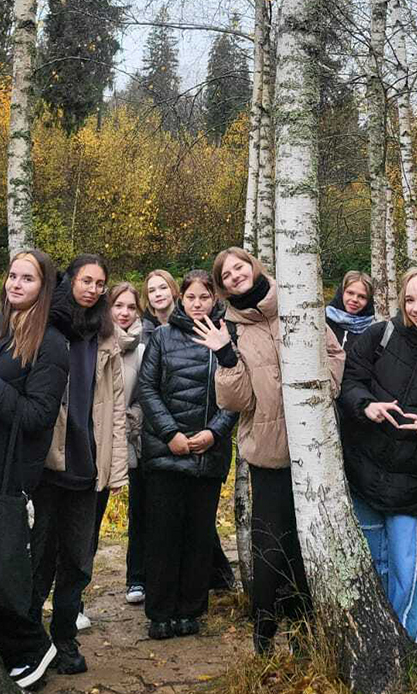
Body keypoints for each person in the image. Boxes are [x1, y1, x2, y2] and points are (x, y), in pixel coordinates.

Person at [193, 247, 345, 654]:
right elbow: (237, 400)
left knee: (304, 543)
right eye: (226, 275)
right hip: (268, 451)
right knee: (270, 545)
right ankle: (263, 629)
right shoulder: (230, 327)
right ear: (224, 288)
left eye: (239, 267)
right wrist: (226, 355)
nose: (235, 275)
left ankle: (303, 630)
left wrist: (324, 392)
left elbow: (333, 352)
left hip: (313, 449)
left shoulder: (297, 304)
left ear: (253, 266)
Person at [337, 267, 417, 649]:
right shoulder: (379, 336)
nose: (416, 308)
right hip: (364, 474)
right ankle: (374, 647)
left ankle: (408, 649)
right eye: (410, 299)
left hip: (412, 485)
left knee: (409, 572)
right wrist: (366, 405)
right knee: (371, 568)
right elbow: (350, 383)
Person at [0, 250, 70, 690]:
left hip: (10, 475)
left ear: (44, 288)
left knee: (3, 574)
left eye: (28, 278)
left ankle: (33, 650)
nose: (16, 284)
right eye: (12, 276)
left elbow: (39, 415)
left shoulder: (51, 343)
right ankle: (10, 650)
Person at [35, 254, 128, 674]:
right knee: (39, 558)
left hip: (88, 466)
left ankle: (64, 637)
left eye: (99, 284)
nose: (92, 289)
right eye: (85, 281)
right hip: (47, 463)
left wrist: (117, 468)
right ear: (69, 280)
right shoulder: (46, 327)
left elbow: (117, 407)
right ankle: (32, 641)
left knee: (77, 560)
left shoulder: (105, 337)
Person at [137, 270, 239, 639]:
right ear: (181, 298)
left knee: (198, 535)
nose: (198, 304)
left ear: (215, 300)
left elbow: (237, 390)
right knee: (163, 535)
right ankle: (160, 612)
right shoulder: (163, 336)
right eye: (191, 297)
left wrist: (214, 432)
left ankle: (190, 610)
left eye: (204, 298)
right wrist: (170, 434)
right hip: (167, 451)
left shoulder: (227, 336)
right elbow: (147, 388)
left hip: (208, 452)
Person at [108, 281, 147, 604]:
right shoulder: (93, 342)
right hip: (97, 440)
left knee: (140, 511)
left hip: (133, 437)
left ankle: (137, 579)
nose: (124, 313)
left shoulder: (143, 348)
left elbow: (147, 393)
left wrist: (129, 418)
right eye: (118, 305)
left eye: (131, 307)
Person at [326, 270, 376, 351]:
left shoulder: (374, 329)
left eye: (362, 297)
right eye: (350, 293)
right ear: (342, 292)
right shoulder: (323, 321)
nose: (354, 299)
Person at [142, 269, 178, 345]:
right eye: (151, 291)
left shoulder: (190, 322)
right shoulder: (140, 330)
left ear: (173, 290)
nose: (157, 294)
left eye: (163, 288)